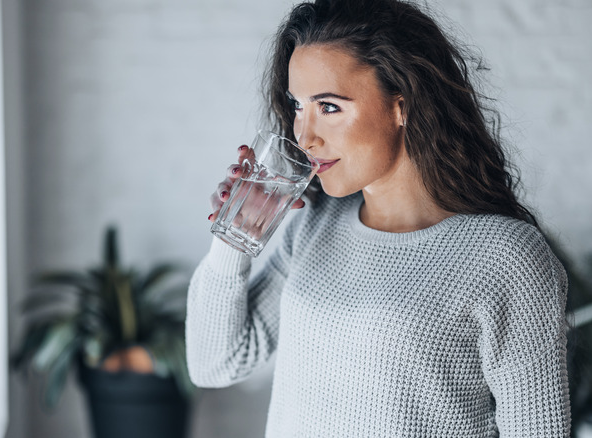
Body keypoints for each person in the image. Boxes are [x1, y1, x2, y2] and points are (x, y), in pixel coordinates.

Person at [186, 0, 571, 436]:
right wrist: (234, 238)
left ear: (400, 105)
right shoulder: (316, 225)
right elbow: (214, 364)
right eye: (298, 106)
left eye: (329, 107)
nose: (304, 135)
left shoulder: (505, 257)